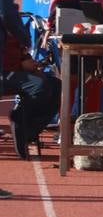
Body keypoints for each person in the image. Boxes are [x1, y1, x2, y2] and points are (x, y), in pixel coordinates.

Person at [3, 17, 61, 162]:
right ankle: (19, 120)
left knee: (56, 85)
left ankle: (28, 131)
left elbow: (21, 54)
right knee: (39, 86)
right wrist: (23, 64)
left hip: (15, 71)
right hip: (5, 73)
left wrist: (30, 63)